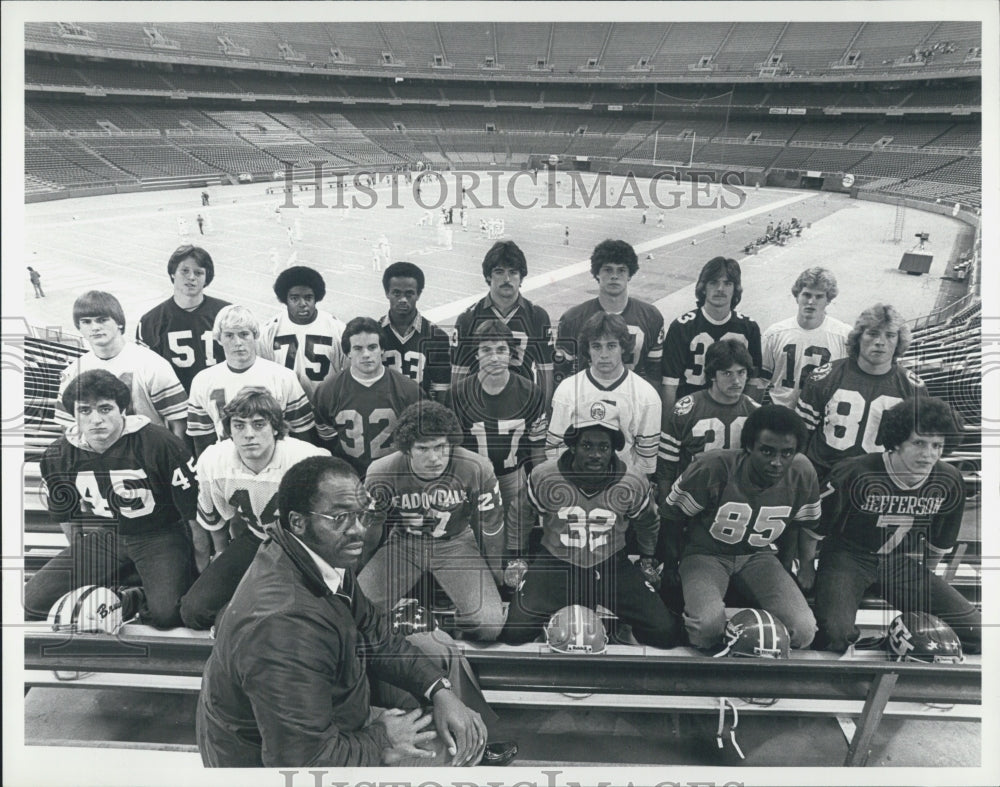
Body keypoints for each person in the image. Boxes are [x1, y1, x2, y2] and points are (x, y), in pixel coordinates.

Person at [196, 455, 516, 767]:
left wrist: (438, 688)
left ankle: (467, 737)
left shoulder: (321, 551)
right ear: (298, 521)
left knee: (435, 674)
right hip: (267, 764)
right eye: (340, 517)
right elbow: (301, 762)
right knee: (448, 760)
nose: (359, 530)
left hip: (331, 710)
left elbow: (373, 631)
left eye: (360, 514)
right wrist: (382, 737)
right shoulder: (283, 625)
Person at [800, 397, 980, 654]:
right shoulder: (856, 473)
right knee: (835, 636)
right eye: (918, 443)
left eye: (937, 445)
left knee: (978, 632)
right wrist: (807, 566)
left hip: (898, 562)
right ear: (896, 441)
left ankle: (894, 639)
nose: (928, 454)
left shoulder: (948, 479)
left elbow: (939, 542)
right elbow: (813, 528)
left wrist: (923, 584)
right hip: (848, 558)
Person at [25, 370, 197, 628]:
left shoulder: (159, 442)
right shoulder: (59, 453)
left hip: (158, 535)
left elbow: (193, 513)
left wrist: (197, 560)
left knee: (166, 615)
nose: (96, 420)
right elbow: (66, 515)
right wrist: (82, 558)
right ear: (74, 414)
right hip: (107, 536)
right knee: (32, 601)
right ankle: (122, 579)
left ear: (122, 410)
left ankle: (133, 597)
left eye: (105, 409)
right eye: (85, 411)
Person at [502, 411, 680, 648]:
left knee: (664, 633)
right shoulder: (546, 475)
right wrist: (517, 556)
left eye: (603, 447)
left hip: (611, 564)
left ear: (612, 450)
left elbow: (648, 521)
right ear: (573, 447)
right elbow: (520, 513)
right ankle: (551, 626)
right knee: (514, 633)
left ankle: (623, 631)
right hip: (556, 562)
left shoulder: (632, 481)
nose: (596, 454)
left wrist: (647, 558)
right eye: (587, 445)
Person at [662, 405, 821, 651]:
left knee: (803, 630)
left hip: (758, 556)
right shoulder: (714, 466)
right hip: (707, 554)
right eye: (767, 451)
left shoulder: (802, 471)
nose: (777, 462)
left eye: (787, 453)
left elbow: (798, 525)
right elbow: (672, 517)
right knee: (706, 629)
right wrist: (671, 566)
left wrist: (788, 567)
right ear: (748, 446)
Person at [179, 389, 328, 630]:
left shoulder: (307, 459)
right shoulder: (214, 460)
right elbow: (216, 520)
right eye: (239, 426)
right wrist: (221, 557)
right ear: (229, 431)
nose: (249, 434)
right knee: (194, 611)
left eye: (259, 424)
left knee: (308, 620)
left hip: (304, 547)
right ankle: (237, 610)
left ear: (276, 428)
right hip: (258, 538)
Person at [359, 402, 505, 641]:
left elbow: (491, 525)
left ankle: (446, 627)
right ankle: (402, 614)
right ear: (407, 449)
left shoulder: (476, 467)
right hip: (403, 545)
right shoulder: (381, 472)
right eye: (423, 449)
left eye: (440, 447)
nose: (435, 458)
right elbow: (371, 527)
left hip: (455, 543)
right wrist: (363, 567)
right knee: (358, 612)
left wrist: (496, 572)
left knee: (488, 624)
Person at [447, 320, 547, 558]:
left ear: (512, 353)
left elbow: (537, 447)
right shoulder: (458, 393)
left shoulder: (530, 392)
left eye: (501, 350)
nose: (494, 358)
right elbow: (453, 448)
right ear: (476, 354)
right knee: (476, 534)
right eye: (486, 350)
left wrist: (542, 483)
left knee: (516, 532)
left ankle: (513, 577)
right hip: (474, 479)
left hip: (512, 475)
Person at [796, 303, 925, 481]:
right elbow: (801, 436)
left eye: (890, 335)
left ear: (899, 341)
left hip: (878, 483)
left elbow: (915, 446)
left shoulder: (913, 388)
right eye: (872, 333)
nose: (880, 342)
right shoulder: (824, 377)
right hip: (823, 477)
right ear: (858, 337)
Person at [187, 305, 316, 459]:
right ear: (218, 339)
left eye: (244, 334)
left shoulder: (283, 377)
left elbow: (302, 433)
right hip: (228, 463)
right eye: (229, 335)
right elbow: (202, 440)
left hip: (277, 462)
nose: (237, 342)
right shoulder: (203, 381)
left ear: (255, 336)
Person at [57, 291, 187, 440]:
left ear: (119, 322)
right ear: (78, 326)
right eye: (86, 322)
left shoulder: (152, 364)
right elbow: (67, 425)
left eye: (102, 320)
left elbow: (179, 423)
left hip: (148, 452)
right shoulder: (73, 371)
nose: (95, 327)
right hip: (99, 454)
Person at [548, 312, 660, 478]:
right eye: (596, 346)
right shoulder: (567, 390)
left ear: (623, 347)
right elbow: (555, 450)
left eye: (611, 346)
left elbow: (645, 460)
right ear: (587, 349)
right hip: (576, 482)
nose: (604, 355)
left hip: (622, 482)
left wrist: (631, 490)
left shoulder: (647, 395)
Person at [313, 317, 424, 478]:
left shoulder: (409, 390)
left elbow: (420, 441)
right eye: (358, 348)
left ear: (382, 349)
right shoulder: (327, 391)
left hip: (397, 477)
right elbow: (326, 438)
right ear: (347, 352)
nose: (366, 354)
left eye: (372, 347)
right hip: (349, 477)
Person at [452, 240, 555, 410]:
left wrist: (542, 412)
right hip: (480, 406)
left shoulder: (537, 316)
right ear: (487, 276)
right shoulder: (468, 318)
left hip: (523, 404)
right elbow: (458, 374)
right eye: (499, 272)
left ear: (521, 277)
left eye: (513, 272)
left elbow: (546, 371)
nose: (507, 279)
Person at [659, 256, 763, 418]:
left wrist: (747, 418)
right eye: (713, 282)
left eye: (727, 283)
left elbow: (753, 382)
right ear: (703, 288)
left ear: (736, 289)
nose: (720, 288)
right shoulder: (682, 327)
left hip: (732, 410)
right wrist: (669, 423)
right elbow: (670, 384)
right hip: (689, 410)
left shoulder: (749, 328)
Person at [555, 239, 664, 390]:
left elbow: (655, 374)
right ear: (597, 273)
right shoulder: (573, 318)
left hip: (635, 399)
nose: (614, 276)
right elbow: (561, 372)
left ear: (630, 274)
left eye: (621, 270)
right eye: (607, 270)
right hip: (587, 398)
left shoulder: (651, 316)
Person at [658, 339, 760, 494]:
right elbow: (666, 465)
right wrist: (666, 504)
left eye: (741, 372)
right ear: (712, 375)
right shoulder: (687, 409)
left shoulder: (755, 412)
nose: (736, 381)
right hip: (692, 492)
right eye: (727, 373)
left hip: (736, 495)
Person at [136, 245, 230, 393]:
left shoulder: (226, 314)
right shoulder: (151, 321)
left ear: (206, 278)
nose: (191, 277)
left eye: (198, 272)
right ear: (173, 273)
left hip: (220, 398)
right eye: (185, 271)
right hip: (174, 403)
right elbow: (146, 374)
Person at [760, 267, 851, 409]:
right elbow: (761, 381)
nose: (811, 301)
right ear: (797, 296)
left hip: (819, 417)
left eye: (819, 296)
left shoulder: (844, 336)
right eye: (806, 295)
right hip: (780, 414)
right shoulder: (774, 334)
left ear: (828, 300)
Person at [257, 266, 346, 399]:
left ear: (316, 298)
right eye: (294, 298)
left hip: (327, 407)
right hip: (285, 408)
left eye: (308, 297)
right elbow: (264, 374)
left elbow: (348, 374)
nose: (302, 303)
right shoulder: (269, 331)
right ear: (285, 299)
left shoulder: (337, 328)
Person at [379, 261, 452, 402]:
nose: (402, 300)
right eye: (396, 293)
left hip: (421, 416)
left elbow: (441, 391)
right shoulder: (374, 333)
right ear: (387, 293)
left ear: (418, 294)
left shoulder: (436, 336)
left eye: (409, 294)